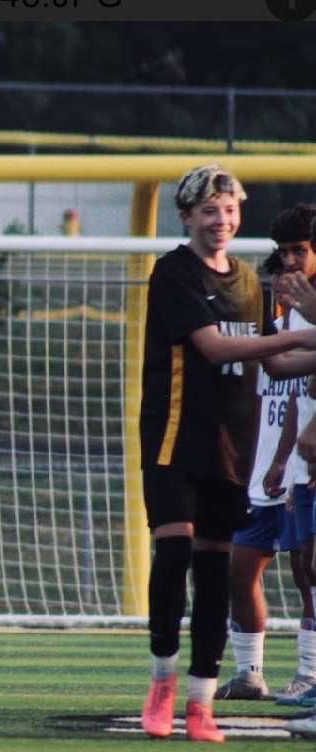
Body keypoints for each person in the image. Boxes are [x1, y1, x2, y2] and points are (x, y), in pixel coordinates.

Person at [138, 166, 316, 742]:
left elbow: (274, 363)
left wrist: (307, 348)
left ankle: (200, 701)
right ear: (187, 216)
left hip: (229, 449)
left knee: (215, 575)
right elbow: (215, 348)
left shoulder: (246, 280)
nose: (222, 220)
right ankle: (161, 684)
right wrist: (298, 334)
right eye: (210, 211)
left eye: (230, 210)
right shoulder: (173, 273)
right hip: (173, 442)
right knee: (171, 561)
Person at [216, 207, 316, 703]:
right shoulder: (275, 316)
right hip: (263, 470)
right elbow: (269, 381)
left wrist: (284, 459)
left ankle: (309, 673)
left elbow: (302, 395)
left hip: (302, 466)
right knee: (242, 566)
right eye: (285, 257)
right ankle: (250, 671)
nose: (293, 264)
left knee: (307, 571)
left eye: (302, 251)